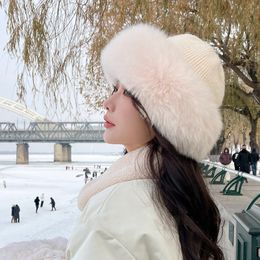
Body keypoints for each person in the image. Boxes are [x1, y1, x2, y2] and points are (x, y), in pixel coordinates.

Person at [66, 24, 225, 259]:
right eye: (114, 88)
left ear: (167, 113)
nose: (108, 102)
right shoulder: (180, 199)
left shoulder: (111, 218)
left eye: (129, 92)